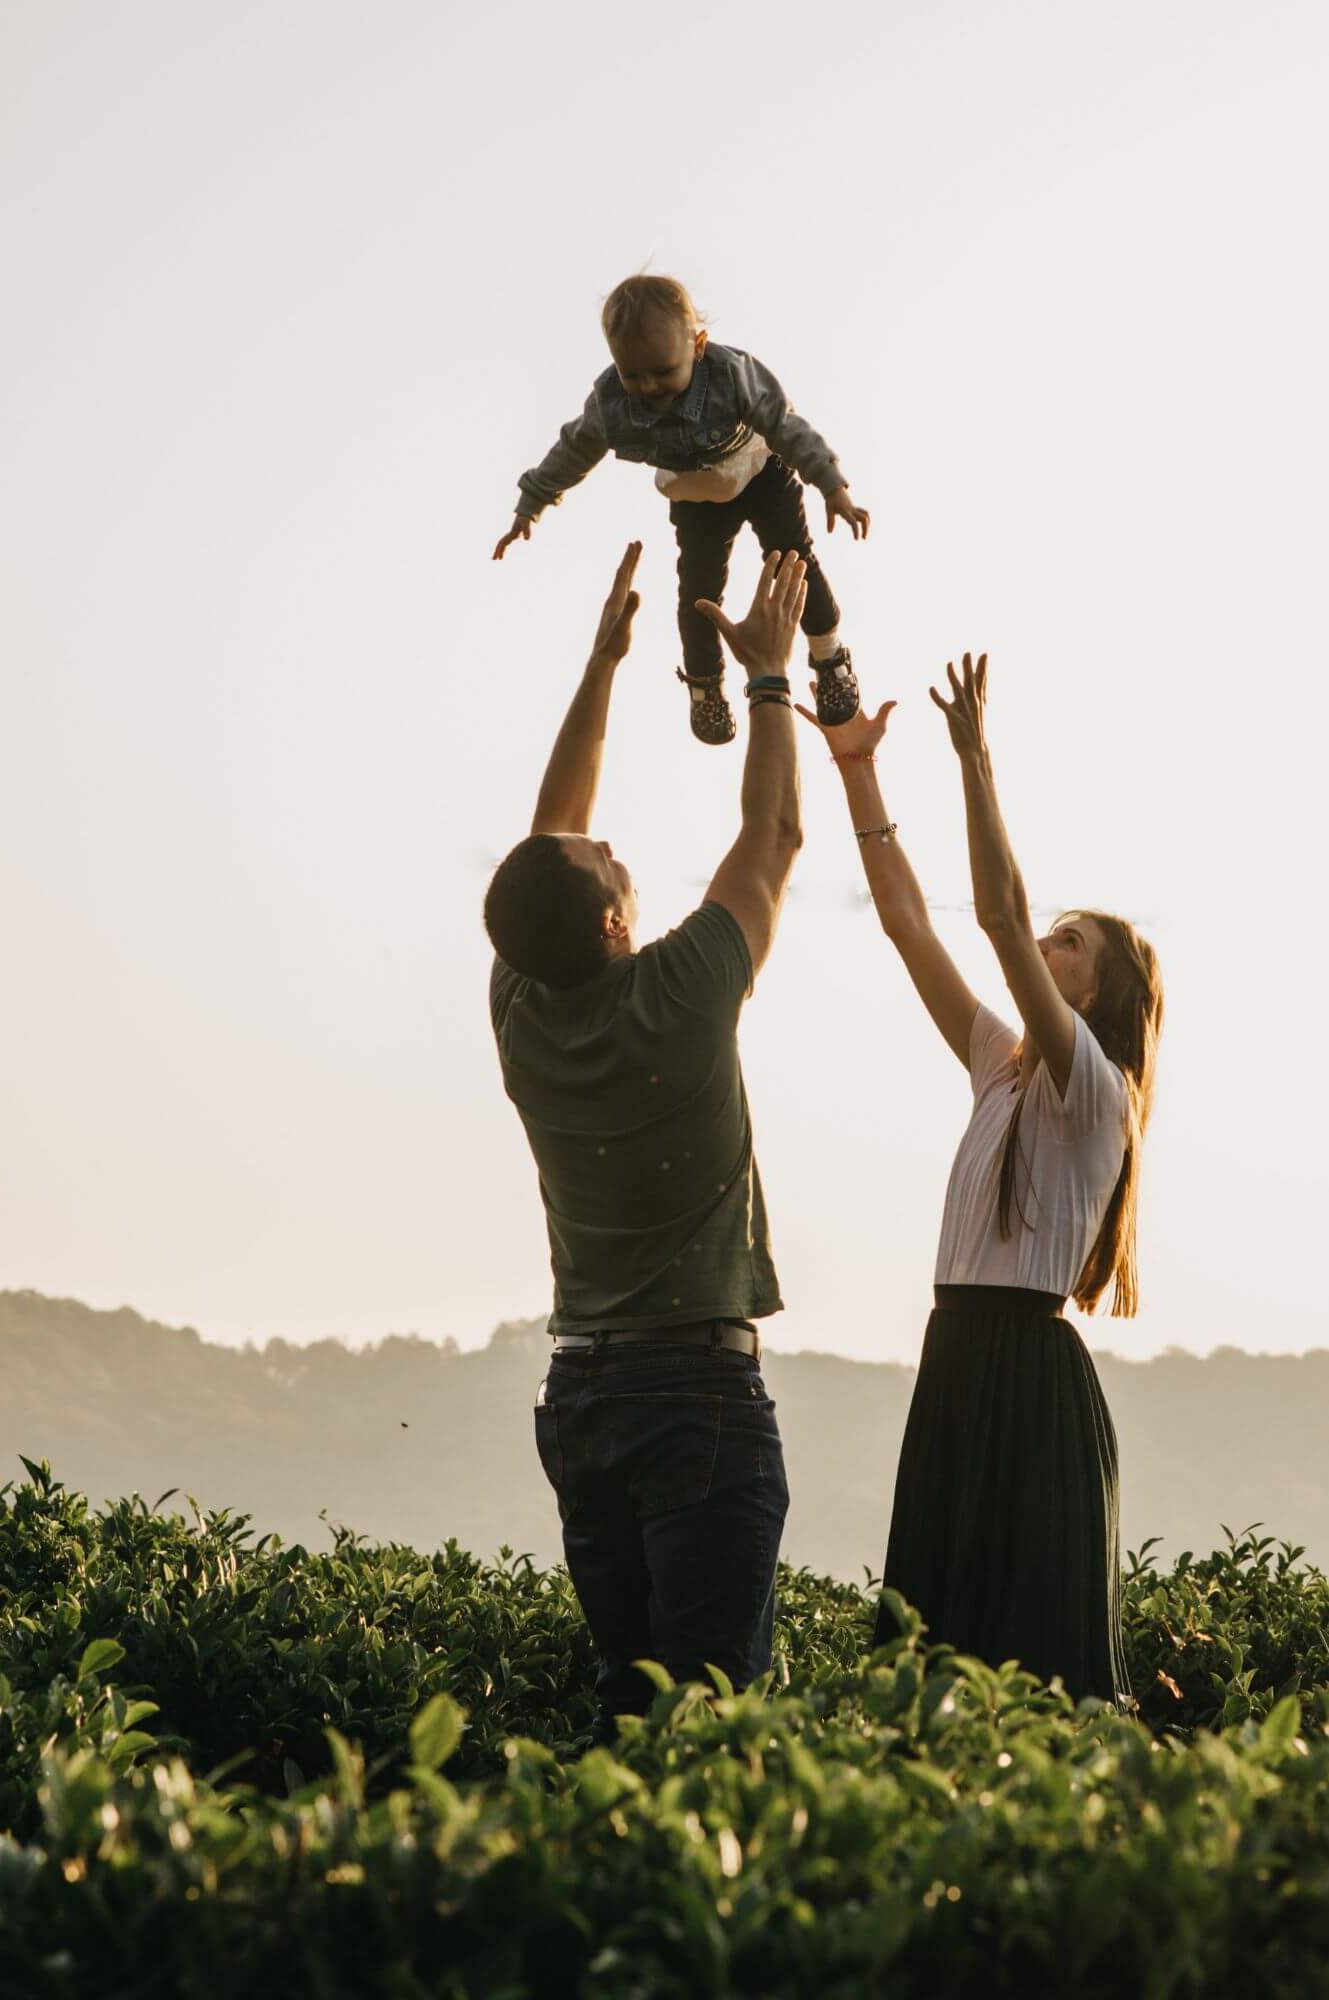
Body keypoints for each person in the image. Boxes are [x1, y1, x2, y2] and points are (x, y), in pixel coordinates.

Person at [484, 542, 818, 1729]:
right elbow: (772, 838)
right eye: (610, 858)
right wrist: (771, 678)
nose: (610, 840)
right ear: (619, 919)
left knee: (625, 1708)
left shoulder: (523, 1003)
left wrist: (602, 664)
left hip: (583, 1394)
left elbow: (546, 844)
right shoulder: (678, 992)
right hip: (694, 1392)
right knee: (712, 1720)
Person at [797, 652, 1164, 1706]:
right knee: (930, 1662)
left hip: (1028, 1383)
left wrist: (975, 760)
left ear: (1102, 989)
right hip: (956, 1358)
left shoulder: (1095, 1084)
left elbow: (998, 917)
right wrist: (857, 769)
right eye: (1053, 935)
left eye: (1069, 942)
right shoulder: (999, 1063)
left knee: (1034, 1677)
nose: (1045, 945)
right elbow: (911, 922)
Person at [492, 273, 870, 747]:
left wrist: (832, 485)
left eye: (663, 371)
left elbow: (784, 424)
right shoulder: (611, 406)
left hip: (759, 469)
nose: (649, 386)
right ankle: (704, 685)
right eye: (633, 374)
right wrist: (532, 505)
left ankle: (828, 653)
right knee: (698, 590)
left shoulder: (731, 373)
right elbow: (572, 450)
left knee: (792, 558)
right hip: (696, 495)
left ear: (698, 345)